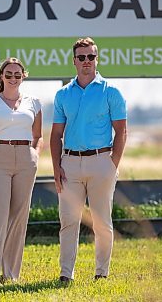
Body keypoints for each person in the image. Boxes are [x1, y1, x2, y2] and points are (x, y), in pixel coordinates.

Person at [50, 37, 127, 282]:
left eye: (91, 57)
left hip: (101, 162)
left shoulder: (111, 92)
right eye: (81, 57)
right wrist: (56, 168)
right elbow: (55, 135)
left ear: (97, 59)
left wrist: (112, 163)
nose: (86, 61)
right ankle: (66, 274)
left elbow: (121, 131)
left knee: (102, 222)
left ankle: (101, 273)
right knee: (68, 221)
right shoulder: (63, 95)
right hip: (69, 164)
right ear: (74, 61)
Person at [0, 57, 43, 284]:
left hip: (26, 160)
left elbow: (38, 136)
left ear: (23, 76)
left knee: (19, 217)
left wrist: (34, 154)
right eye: (8, 74)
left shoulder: (34, 103)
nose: (13, 78)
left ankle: (11, 274)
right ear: (1, 77)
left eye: (17, 74)